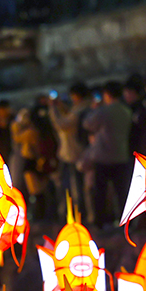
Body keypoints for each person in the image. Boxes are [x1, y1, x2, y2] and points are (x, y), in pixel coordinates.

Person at [81, 81, 133, 224]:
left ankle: (101, 222)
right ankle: (124, 221)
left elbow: (88, 124)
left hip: (103, 157)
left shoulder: (104, 111)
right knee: (121, 192)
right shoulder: (126, 111)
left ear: (107, 95)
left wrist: (95, 109)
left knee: (100, 193)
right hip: (121, 156)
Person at [48, 82, 92, 216]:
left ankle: (79, 214)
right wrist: (61, 107)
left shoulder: (80, 111)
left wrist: (53, 109)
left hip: (74, 153)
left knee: (76, 187)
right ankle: (79, 213)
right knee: (76, 186)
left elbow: (62, 124)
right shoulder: (83, 108)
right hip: (76, 152)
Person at [123, 73, 146, 157]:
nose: (125, 96)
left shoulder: (142, 109)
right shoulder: (137, 108)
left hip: (142, 150)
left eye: (127, 92)